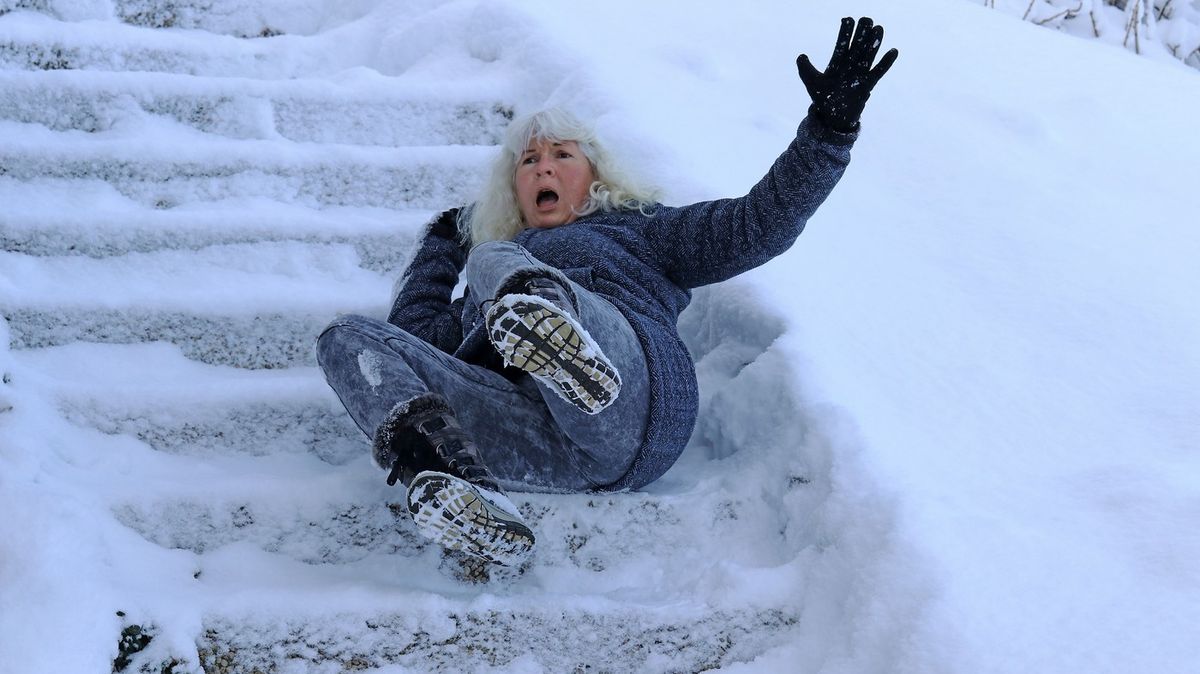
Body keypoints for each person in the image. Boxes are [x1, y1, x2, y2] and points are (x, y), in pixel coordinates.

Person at [317, 17, 898, 565]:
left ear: (594, 175)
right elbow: (413, 342)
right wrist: (443, 245)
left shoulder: (641, 228)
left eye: (560, 155)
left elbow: (757, 224)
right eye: (528, 161)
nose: (543, 169)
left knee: (502, 259)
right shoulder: (482, 289)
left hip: (632, 403)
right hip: (537, 442)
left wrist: (828, 132)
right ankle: (457, 482)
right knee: (344, 338)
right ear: (513, 188)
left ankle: (559, 341)